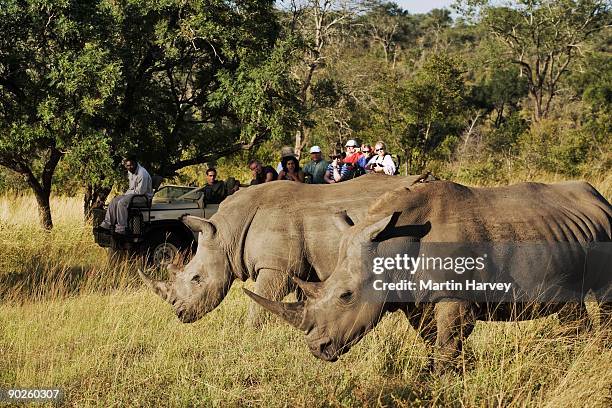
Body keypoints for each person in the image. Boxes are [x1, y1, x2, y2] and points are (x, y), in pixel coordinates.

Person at [99, 157, 152, 234]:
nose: (129, 167)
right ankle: (107, 224)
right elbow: (131, 188)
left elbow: (140, 192)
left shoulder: (142, 174)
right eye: (127, 165)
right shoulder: (130, 171)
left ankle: (121, 229)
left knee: (122, 202)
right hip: (134, 194)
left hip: (143, 197)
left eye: (131, 165)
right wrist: (125, 195)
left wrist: (126, 195)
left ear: (135, 163)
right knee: (115, 200)